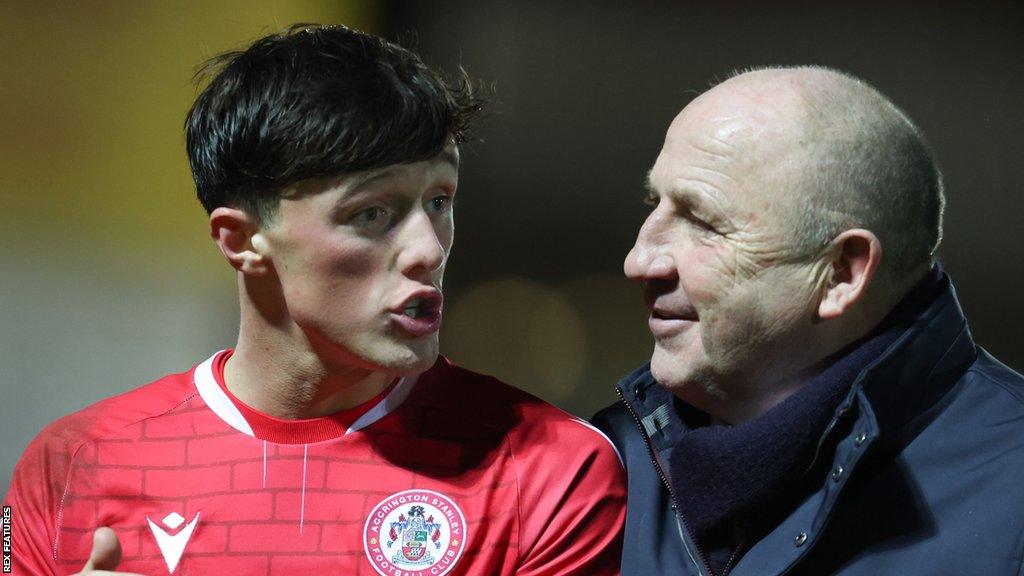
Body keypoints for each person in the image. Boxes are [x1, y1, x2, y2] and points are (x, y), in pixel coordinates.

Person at [4, 24, 625, 576]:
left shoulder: (553, 472)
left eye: (440, 200)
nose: (428, 250)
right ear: (244, 240)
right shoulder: (68, 467)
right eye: (372, 212)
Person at [593, 66, 1024, 576]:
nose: (639, 260)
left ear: (840, 274)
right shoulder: (591, 471)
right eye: (654, 203)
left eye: (703, 223)